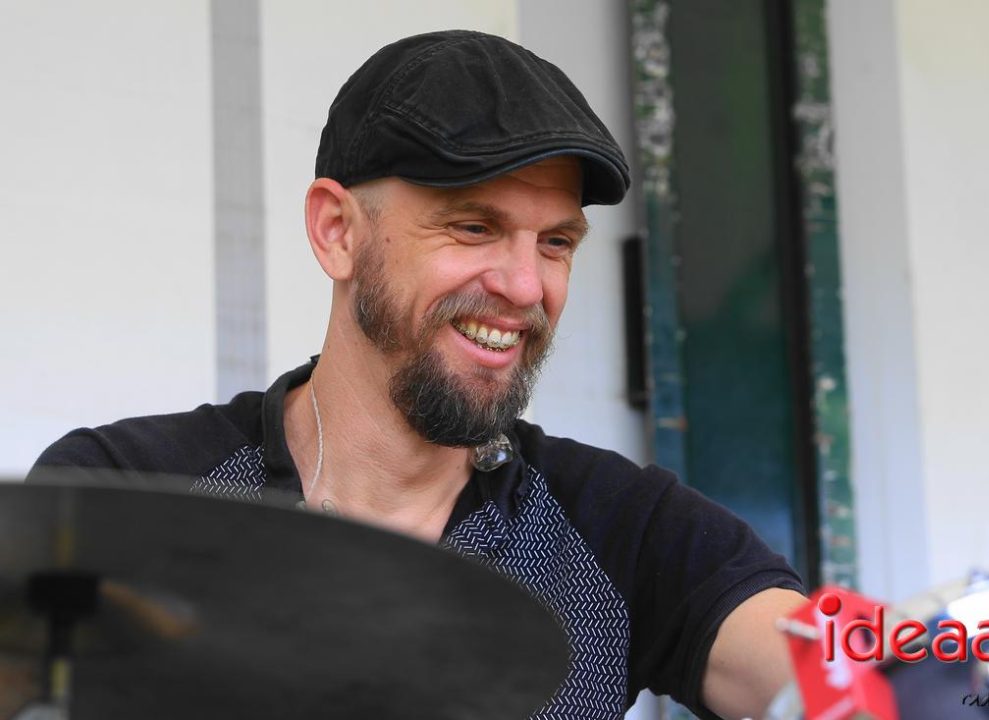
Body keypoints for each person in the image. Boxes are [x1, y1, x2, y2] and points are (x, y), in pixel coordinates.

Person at [29, 30, 805, 720]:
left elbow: (833, 671)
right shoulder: (124, 490)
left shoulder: (620, 526)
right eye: (473, 226)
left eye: (556, 243)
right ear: (337, 232)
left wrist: (873, 664)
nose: (525, 287)